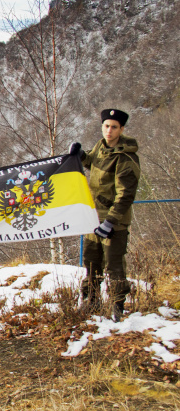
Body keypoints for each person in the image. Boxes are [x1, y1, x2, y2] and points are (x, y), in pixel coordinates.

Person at [71, 108, 140, 322]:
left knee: (114, 265)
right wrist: (80, 154)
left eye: (114, 127)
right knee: (91, 263)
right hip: (94, 219)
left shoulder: (126, 157)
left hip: (114, 223)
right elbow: (91, 161)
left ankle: (118, 307)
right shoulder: (101, 148)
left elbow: (125, 195)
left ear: (121, 129)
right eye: (106, 126)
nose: (109, 131)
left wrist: (110, 222)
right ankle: (91, 301)